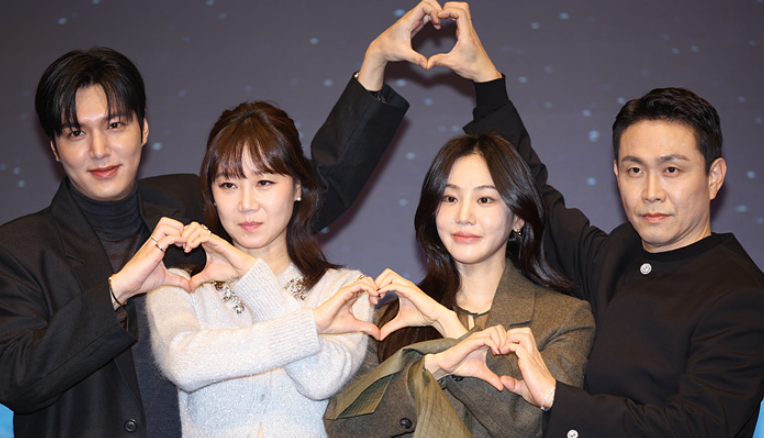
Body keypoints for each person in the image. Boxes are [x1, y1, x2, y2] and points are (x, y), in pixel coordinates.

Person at [0, 44, 408, 437]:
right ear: (54, 148)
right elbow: (17, 379)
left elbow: (298, 189)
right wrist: (115, 292)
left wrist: (373, 67)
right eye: (75, 133)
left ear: (143, 129)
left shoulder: (186, 206)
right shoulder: (20, 248)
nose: (100, 149)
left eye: (115, 125)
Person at [438, 3, 764, 437]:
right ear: (616, 173)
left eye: (671, 169)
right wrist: (486, 81)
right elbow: (537, 194)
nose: (651, 191)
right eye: (634, 170)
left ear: (714, 177)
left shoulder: (740, 295)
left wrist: (556, 398)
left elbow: (695, 427)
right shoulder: (618, 253)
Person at [146, 100, 380, 437]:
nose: (246, 204)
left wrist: (250, 274)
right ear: (211, 194)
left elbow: (320, 379)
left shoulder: (345, 289)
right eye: (229, 185)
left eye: (264, 182)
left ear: (297, 187)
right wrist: (311, 326)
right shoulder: (177, 284)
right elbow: (183, 363)